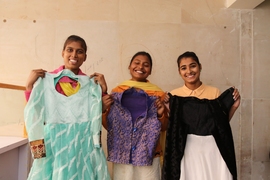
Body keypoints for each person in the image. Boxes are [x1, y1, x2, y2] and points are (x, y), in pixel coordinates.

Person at [24, 35, 111, 180]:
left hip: (82, 145)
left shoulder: (90, 84)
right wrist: (29, 87)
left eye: (79, 51)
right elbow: (34, 113)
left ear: (85, 57)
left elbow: (97, 115)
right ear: (62, 52)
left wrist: (102, 89)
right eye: (70, 50)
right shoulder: (46, 80)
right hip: (54, 145)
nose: (74, 55)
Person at [162, 51, 240, 180]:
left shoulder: (214, 92)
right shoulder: (174, 95)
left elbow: (221, 125)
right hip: (187, 149)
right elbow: (175, 129)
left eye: (193, 66)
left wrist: (234, 106)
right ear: (179, 72)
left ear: (200, 66)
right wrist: (168, 108)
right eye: (183, 68)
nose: (189, 71)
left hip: (212, 148)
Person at [102, 51, 168, 180]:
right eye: (136, 63)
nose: (140, 67)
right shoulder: (117, 92)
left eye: (146, 65)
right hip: (122, 154)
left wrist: (161, 114)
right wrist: (104, 110)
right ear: (129, 66)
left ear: (150, 70)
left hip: (150, 153)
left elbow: (164, 128)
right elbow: (111, 126)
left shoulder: (158, 94)